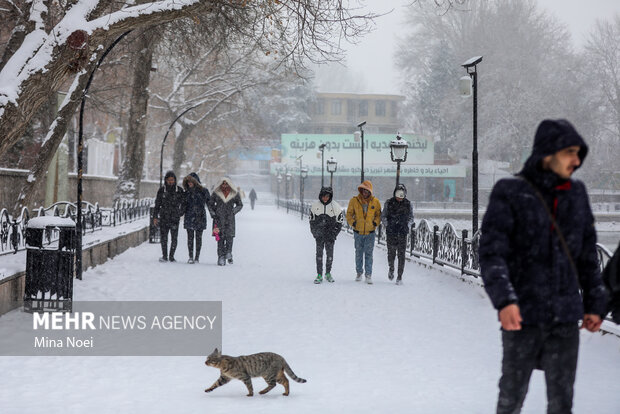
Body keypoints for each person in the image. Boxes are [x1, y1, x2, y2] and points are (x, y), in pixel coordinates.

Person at [479, 119, 608, 414]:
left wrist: (595, 305)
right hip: (522, 316)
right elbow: (491, 253)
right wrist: (505, 301)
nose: (577, 161)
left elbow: (587, 257)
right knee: (511, 400)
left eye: (579, 153)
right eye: (570, 152)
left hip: (565, 320)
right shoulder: (510, 192)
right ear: (548, 152)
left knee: (562, 404)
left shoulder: (576, 195)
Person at [346, 180, 381, 284]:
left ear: (370, 191)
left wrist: (375, 223)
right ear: (360, 190)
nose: (365, 193)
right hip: (358, 232)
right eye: (363, 190)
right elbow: (349, 214)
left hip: (370, 232)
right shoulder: (354, 201)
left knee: (369, 254)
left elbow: (378, 215)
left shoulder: (375, 202)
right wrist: (354, 224)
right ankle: (359, 272)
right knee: (358, 253)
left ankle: (368, 274)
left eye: (367, 191)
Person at [309, 187, 344, 284]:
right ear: (321, 195)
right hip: (319, 235)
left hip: (330, 236)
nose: (325, 198)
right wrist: (315, 233)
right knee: (319, 255)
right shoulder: (315, 206)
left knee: (330, 255)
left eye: (327, 196)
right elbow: (312, 221)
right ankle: (319, 274)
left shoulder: (336, 207)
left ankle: (328, 273)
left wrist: (334, 234)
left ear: (330, 196)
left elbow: (340, 222)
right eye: (324, 196)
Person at [381, 184, 414, 285]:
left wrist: (407, 226)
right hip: (391, 233)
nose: (399, 197)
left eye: (402, 194)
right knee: (391, 254)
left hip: (402, 233)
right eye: (398, 194)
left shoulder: (408, 204)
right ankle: (391, 268)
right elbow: (383, 216)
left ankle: (399, 276)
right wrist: (387, 225)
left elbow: (411, 218)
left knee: (401, 255)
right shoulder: (389, 203)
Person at [208, 177, 243, 266]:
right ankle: (221, 257)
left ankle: (228, 252)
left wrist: (233, 211)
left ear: (229, 184)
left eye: (226, 183)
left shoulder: (234, 193)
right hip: (219, 218)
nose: (224, 185)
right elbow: (210, 204)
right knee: (220, 238)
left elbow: (239, 204)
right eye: (223, 183)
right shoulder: (216, 193)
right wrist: (213, 213)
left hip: (230, 218)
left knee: (229, 237)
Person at [153, 170, 185, 262]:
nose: (171, 181)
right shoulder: (162, 190)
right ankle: (164, 255)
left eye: (172, 180)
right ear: (166, 180)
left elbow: (184, 203)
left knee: (174, 238)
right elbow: (157, 204)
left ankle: (171, 256)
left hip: (174, 218)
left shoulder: (179, 190)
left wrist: (180, 212)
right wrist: (155, 216)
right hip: (164, 217)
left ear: (175, 180)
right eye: (169, 180)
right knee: (164, 238)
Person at [182, 172, 210, 264]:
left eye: (191, 181)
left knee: (198, 238)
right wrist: (178, 214)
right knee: (190, 238)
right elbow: (183, 206)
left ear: (195, 181)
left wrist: (214, 213)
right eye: (188, 181)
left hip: (200, 216)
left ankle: (197, 257)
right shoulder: (186, 193)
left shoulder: (204, 191)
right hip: (189, 216)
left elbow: (209, 203)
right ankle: (190, 257)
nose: (189, 183)